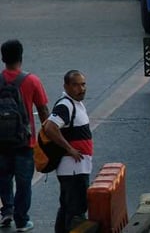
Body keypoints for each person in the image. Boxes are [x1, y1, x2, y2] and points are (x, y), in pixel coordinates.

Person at [0, 40, 48, 233]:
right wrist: (47, 132)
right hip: (24, 141)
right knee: (23, 182)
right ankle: (21, 220)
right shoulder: (31, 80)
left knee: (3, 178)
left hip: (1, 142)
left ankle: (7, 212)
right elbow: (43, 109)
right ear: (21, 56)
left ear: (3, 58)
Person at [43, 71, 92, 233]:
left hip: (78, 168)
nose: (81, 88)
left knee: (66, 208)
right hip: (73, 170)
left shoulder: (75, 104)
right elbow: (50, 127)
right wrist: (69, 148)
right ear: (66, 87)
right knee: (75, 210)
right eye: (76, 85)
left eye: (83, 84)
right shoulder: (66, 105)